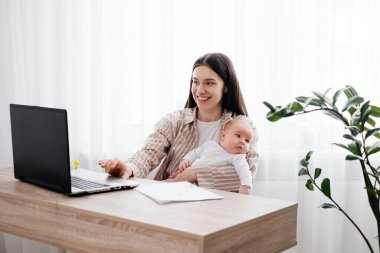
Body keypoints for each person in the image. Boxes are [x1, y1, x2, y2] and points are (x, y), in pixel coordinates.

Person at [98, 52, 258, 193]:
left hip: (219, 208)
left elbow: (247, 173)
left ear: (226, 87)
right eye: (195, 82)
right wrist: (128, 169)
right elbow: (149, 153)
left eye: (209, 83)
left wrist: (194, 173)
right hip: (171, 203)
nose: (200, 90)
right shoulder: (174, 121)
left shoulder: (243, 127)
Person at [169, 117, 254, 194]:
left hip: (202, 187)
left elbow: (245, 171)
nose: (242, 142)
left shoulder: (237, 157)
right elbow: (195, 153)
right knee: (168, 185)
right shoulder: (210, 145)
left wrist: (246, 186)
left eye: (247, 140)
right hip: (184, 176)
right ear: (223, 135)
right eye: (238, 136)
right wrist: (186, 159)